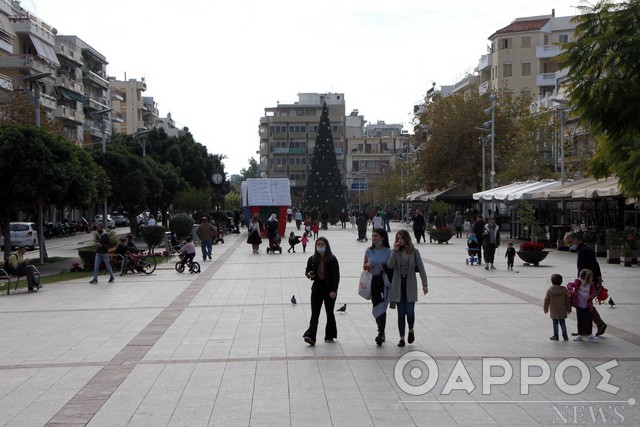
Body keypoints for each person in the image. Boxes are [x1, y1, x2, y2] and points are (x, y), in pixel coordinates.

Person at [387, 229, 429, 347]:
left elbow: (421, 269)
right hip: (398, 285)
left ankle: (411, 329)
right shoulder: (395, 252)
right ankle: (401, 338)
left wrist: (425, 284)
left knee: (409, 312)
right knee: (401, 313)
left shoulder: (414, 252)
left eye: (401, 238)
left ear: (406, 239)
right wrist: (394, 251)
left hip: (410, 284)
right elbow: (390, 266)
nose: (399, 241)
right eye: (397, 238)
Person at [564, 231, 607, 336]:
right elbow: (595, 264)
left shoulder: (583, 251)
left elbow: (588, 267)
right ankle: (584, 330)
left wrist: (583, 281)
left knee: (585, 305)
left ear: (577, 239)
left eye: (570, 242)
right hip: (589, 280)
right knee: (584, 304)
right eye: (568, 243)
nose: (570, 245)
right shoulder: (585, 249)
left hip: (587, 282)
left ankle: (598, 324)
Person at [303, 237, 340, 345]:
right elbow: (307, 271)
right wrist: (309, 274)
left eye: (322, 244)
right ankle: (311, 335)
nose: (320, 246)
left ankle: (330, 334)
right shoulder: (312, 259)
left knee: (329, 312)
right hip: (317, 287)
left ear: (326, 246)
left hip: (329, 288)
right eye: (318, 244)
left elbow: (336, 276)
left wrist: (334, 290)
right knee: (315, 313)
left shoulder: (332, 259)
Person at [363, 228, 392, 346]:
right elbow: (364, 267)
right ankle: (381, 330)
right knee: (375, 305)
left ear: (383, 238)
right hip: (373, 282)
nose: (374, 238)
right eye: (373, 236)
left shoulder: (389, 251)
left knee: (382, 305)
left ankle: (381, 332)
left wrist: (384, 268)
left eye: (376, 236)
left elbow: (392, 267)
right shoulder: (368, 251)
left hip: (383, 282)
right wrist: (367, 266)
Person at [566, 269, 597, 341]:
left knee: (589, 320)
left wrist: (590, 296)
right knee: (580, 320)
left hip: (588, 306)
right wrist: (570, 289)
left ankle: (590, 334)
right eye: (591, 277)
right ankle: (580, 334)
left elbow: (594, 293)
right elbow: (569, 284)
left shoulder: (591, 285)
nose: (592, 278)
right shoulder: (578, 282)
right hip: (579, 305)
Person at [544, 273, 572, 341]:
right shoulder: (564, 290)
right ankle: (565, 335)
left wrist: (545, 308)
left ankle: (556, 335)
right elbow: (567, 300)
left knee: (555, 322)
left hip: (554, 309)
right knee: (562, 322)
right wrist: (569, 308)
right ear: (561, 281)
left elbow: (546, 300)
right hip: (562, 309)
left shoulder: (550, 290)